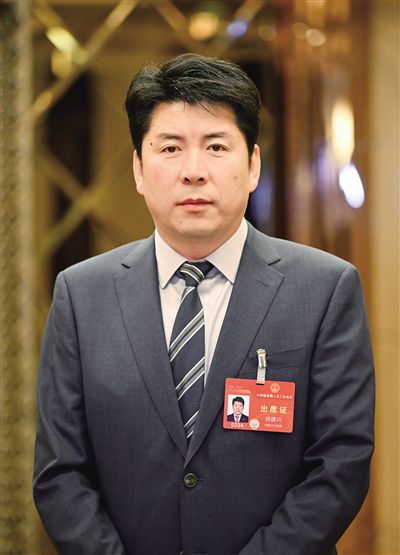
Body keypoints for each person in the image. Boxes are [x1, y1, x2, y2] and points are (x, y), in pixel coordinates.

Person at [33, 53, 375, 555]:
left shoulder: (324, 289)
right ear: (139, 168)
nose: (193, 171)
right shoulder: (82, 294)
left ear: (253, 165)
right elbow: (60, 472)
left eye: (216, 146)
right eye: (170, 148)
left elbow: (340, 463)